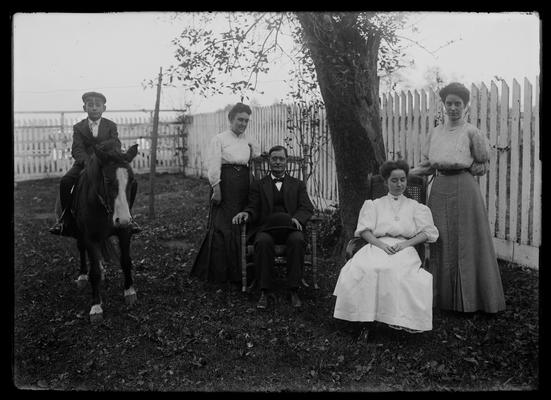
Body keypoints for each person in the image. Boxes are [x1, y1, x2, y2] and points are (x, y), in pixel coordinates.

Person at [410, 82, 506, 314]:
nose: (453, 108)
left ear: (465, 106)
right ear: (443, 105)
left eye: (458, 104)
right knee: (440, 240)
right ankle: (441, 300)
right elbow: (426, 165)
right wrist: (405, 173)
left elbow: (482, 163)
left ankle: (472, 301)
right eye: (449, 103)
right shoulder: (435, 132)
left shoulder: (472, 132)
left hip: (464, 187)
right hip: (440, 188)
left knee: (467, 242)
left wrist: (462, 168)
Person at [333, 159, 439, 332]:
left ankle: (393, 317)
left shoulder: (415, 207)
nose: (399, 184)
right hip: (377, 245)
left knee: (395, 270)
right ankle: (364, 318)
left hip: (404, 247)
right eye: (394, 180)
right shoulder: (374, 205)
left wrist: (406, 244)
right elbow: (364, 231)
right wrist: (380, 245)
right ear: (386, 182)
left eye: (402, 180)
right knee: (367, 268)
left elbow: (428, 233)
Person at [232, 145, 314, 309]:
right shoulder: (258, 185)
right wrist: (246, 214)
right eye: (274, 158)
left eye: (281, 159)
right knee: (262, 242)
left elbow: (307, 207)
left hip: (290, 228)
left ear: (286, 161)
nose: (277, 162)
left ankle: (293, 290)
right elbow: (253, 207)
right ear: (269, 161)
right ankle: (264, 291)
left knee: (298, 240)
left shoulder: (297, 184)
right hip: (266, 228)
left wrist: (298, 218)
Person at [49, 91, 140, 236]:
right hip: (84, 164)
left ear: (104, 108)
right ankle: (64, 219)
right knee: (66, 181)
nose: (94, 108)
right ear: (84, 108)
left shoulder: (110, 126)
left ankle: (129, 216)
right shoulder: (79, 127)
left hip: (106, 163)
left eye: (98, 105)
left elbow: (115, 145)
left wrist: (106, 155)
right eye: (90, 105)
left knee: (132, 182)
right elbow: (77, 149)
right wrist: (88, 162)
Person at [190, 103, 260, 285]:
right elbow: (213, 165)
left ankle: (241, 272)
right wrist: (216, 188)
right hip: (225, 184)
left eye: (246, 120)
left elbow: (257, 156)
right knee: (223, 226)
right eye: (240, 120)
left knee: (241, 225)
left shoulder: (249, 139)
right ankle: (219, 275)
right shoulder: (219, 139)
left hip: (243, 184)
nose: (243, 124)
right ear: (231, 119)